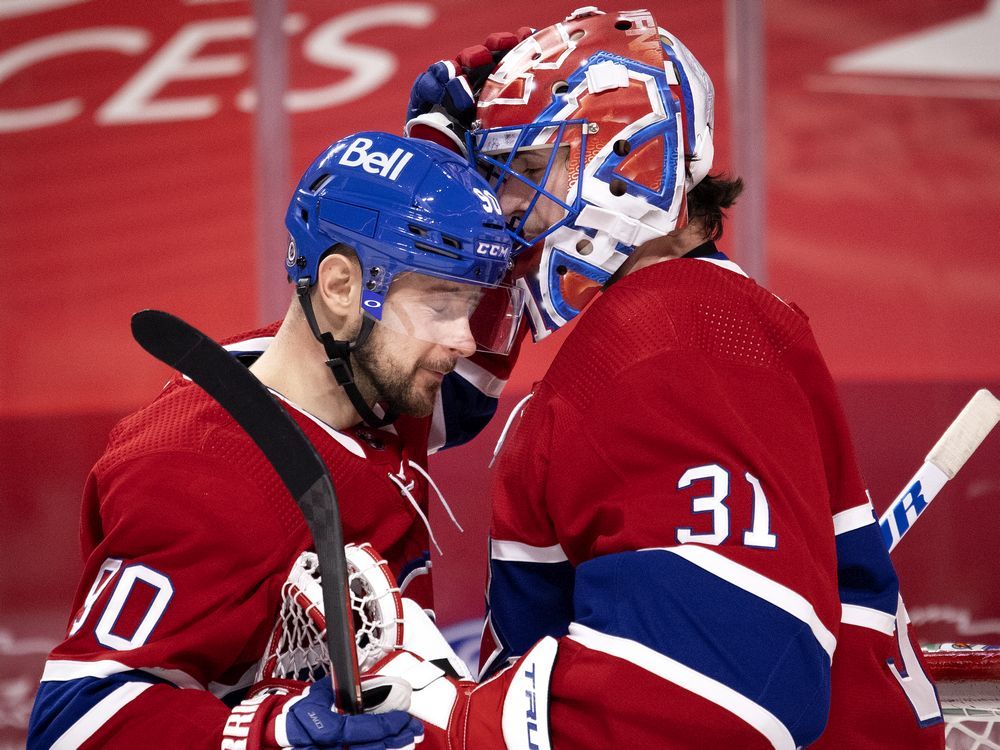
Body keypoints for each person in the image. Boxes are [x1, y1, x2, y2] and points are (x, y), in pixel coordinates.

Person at [387, 7, 946, 749]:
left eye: (523, 171)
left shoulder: (668, 341)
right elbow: (413, 401)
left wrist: (442, 721)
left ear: (630, 161)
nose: (504, 212)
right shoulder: (695, 322)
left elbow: (719, 696)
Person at [26, 131, 523, 749]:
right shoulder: (194, 473)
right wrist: (270, 733)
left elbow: (470, 396)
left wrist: (475, 166)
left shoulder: (367, 376)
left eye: (471, 305)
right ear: (340, 286)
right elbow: (74, 722)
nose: (465, 340)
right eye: (443, 303)